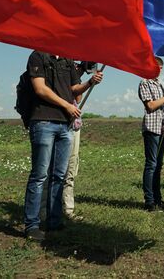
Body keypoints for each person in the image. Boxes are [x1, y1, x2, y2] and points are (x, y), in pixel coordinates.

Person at [23, 51, 102, 242]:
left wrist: (90, 82)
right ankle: (32, 225)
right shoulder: (38, 56)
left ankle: (54, 220)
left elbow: (74, 88)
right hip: (43, 121)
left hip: (65, 125)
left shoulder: (67, 60)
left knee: (59, 175)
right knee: (40, 174)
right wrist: (67, 105)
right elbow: (40, 89)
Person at [61, 62, 102, 222]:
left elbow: (77, 97)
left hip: (73, 124)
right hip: (56, 121)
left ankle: (68, 210)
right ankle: (46, 210)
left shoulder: (74, 70)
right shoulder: (56, 65)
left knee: (70, 169)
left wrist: (79, 78)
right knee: (52, 171)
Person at [138, 57, 164, 211]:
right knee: (151, 164)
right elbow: (151, 106)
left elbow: (163, 108)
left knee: (158, 166)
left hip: (161, 129)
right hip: (151, 129)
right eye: (158, 66)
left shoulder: (159, 85)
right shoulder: (144, 83)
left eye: (161, 67)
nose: (160, 70)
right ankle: (149, 200)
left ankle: (158, 198)